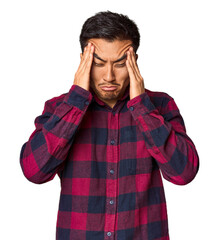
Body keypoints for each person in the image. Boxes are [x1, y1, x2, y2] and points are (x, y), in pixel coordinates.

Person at [20, 11, 199, 240]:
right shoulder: (59, 108)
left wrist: (142, 107)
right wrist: (76, 102)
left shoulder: (160, 105)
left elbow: (184, 173)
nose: (109, 76)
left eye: (120, 63)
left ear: (134, 61)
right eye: (98, 63)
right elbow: (34, 171)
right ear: (83, 60)